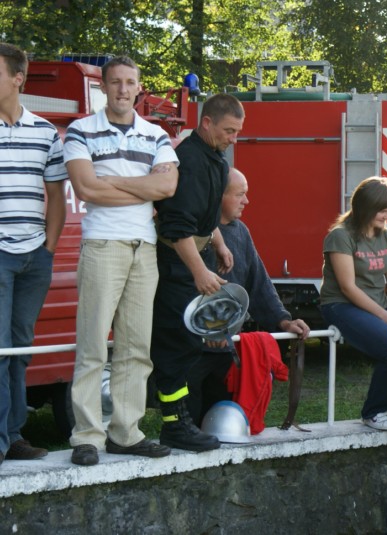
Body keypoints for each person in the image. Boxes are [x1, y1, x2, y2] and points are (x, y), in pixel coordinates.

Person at [64, 55, 177, 466]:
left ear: (139, 88)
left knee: (136, 347)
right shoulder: (80, 130)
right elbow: (86, 189)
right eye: (115, 82)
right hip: (103, 244)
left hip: (143, 247)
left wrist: (111, 179)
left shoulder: (156, 133)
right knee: (93, 344)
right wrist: (142, 187)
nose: (123, 89)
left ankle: (126, 433)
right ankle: (87, 437)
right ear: (104, 87)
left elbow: (167, 187)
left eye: (130, 82)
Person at [150, 93, 243, 452]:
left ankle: (181, 420)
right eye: (229, 130)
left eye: (237, 131)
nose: (234, 138)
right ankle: (174, 424)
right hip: (177, 263)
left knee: (189, 343)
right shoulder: (188, 161)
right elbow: (177, 227)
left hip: (195, 256)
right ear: (206, 123)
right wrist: (199, 272)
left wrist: (219, 243)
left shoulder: (214, 157)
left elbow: (203, 214)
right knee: (176, 344)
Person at [186, 168, 310, 426]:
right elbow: (184, 289)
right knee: (189, 419)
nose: (246, 201)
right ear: (218, 196)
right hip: (190, 350)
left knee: (219, 420)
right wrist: (210, 329)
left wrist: (284, 321)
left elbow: (258, 283)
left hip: (225, 351)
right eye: (239, 194)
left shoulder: (240, 232)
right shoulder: (190, 235)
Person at [0, 43, 67, 465]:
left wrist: (49, 248)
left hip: (34, 258)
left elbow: (56, 195)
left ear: (18, 78)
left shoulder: (45, 132)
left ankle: (13, 435)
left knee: (20, 349)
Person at [320, 176, 387, 431]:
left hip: (377, 304)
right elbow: (348, 287)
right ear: (366, 207)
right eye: (383, 210)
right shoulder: (340, 236)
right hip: (341, 305)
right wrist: (386, 317)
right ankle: (374, 411)